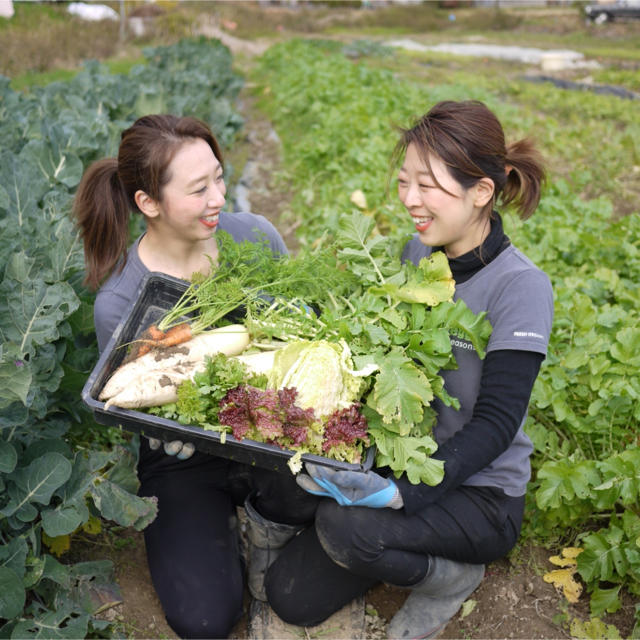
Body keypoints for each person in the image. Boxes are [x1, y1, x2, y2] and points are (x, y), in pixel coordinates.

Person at [261, 100, 554, 639]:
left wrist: (404, 494)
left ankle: (449, 578)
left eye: (427, 186)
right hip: (400, 456)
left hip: (480, 494)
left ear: (481, 193)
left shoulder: (521, 287)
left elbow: (496, 426)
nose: (409, 201)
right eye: (403, 182)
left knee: (345, 527)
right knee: (288, 594)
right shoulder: (415, 252)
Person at [73, 114, 316, 638]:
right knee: (203, 619)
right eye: (199, 188)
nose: (218, 198)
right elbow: (131, 396)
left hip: (271, 432)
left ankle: (264, 524)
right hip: (183, 460)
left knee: (332, 494)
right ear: (148, 203)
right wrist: (165, 429)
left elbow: (303, 328)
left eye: (220, 178)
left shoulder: (254, 237)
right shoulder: (121, 300)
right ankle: (220, 528)